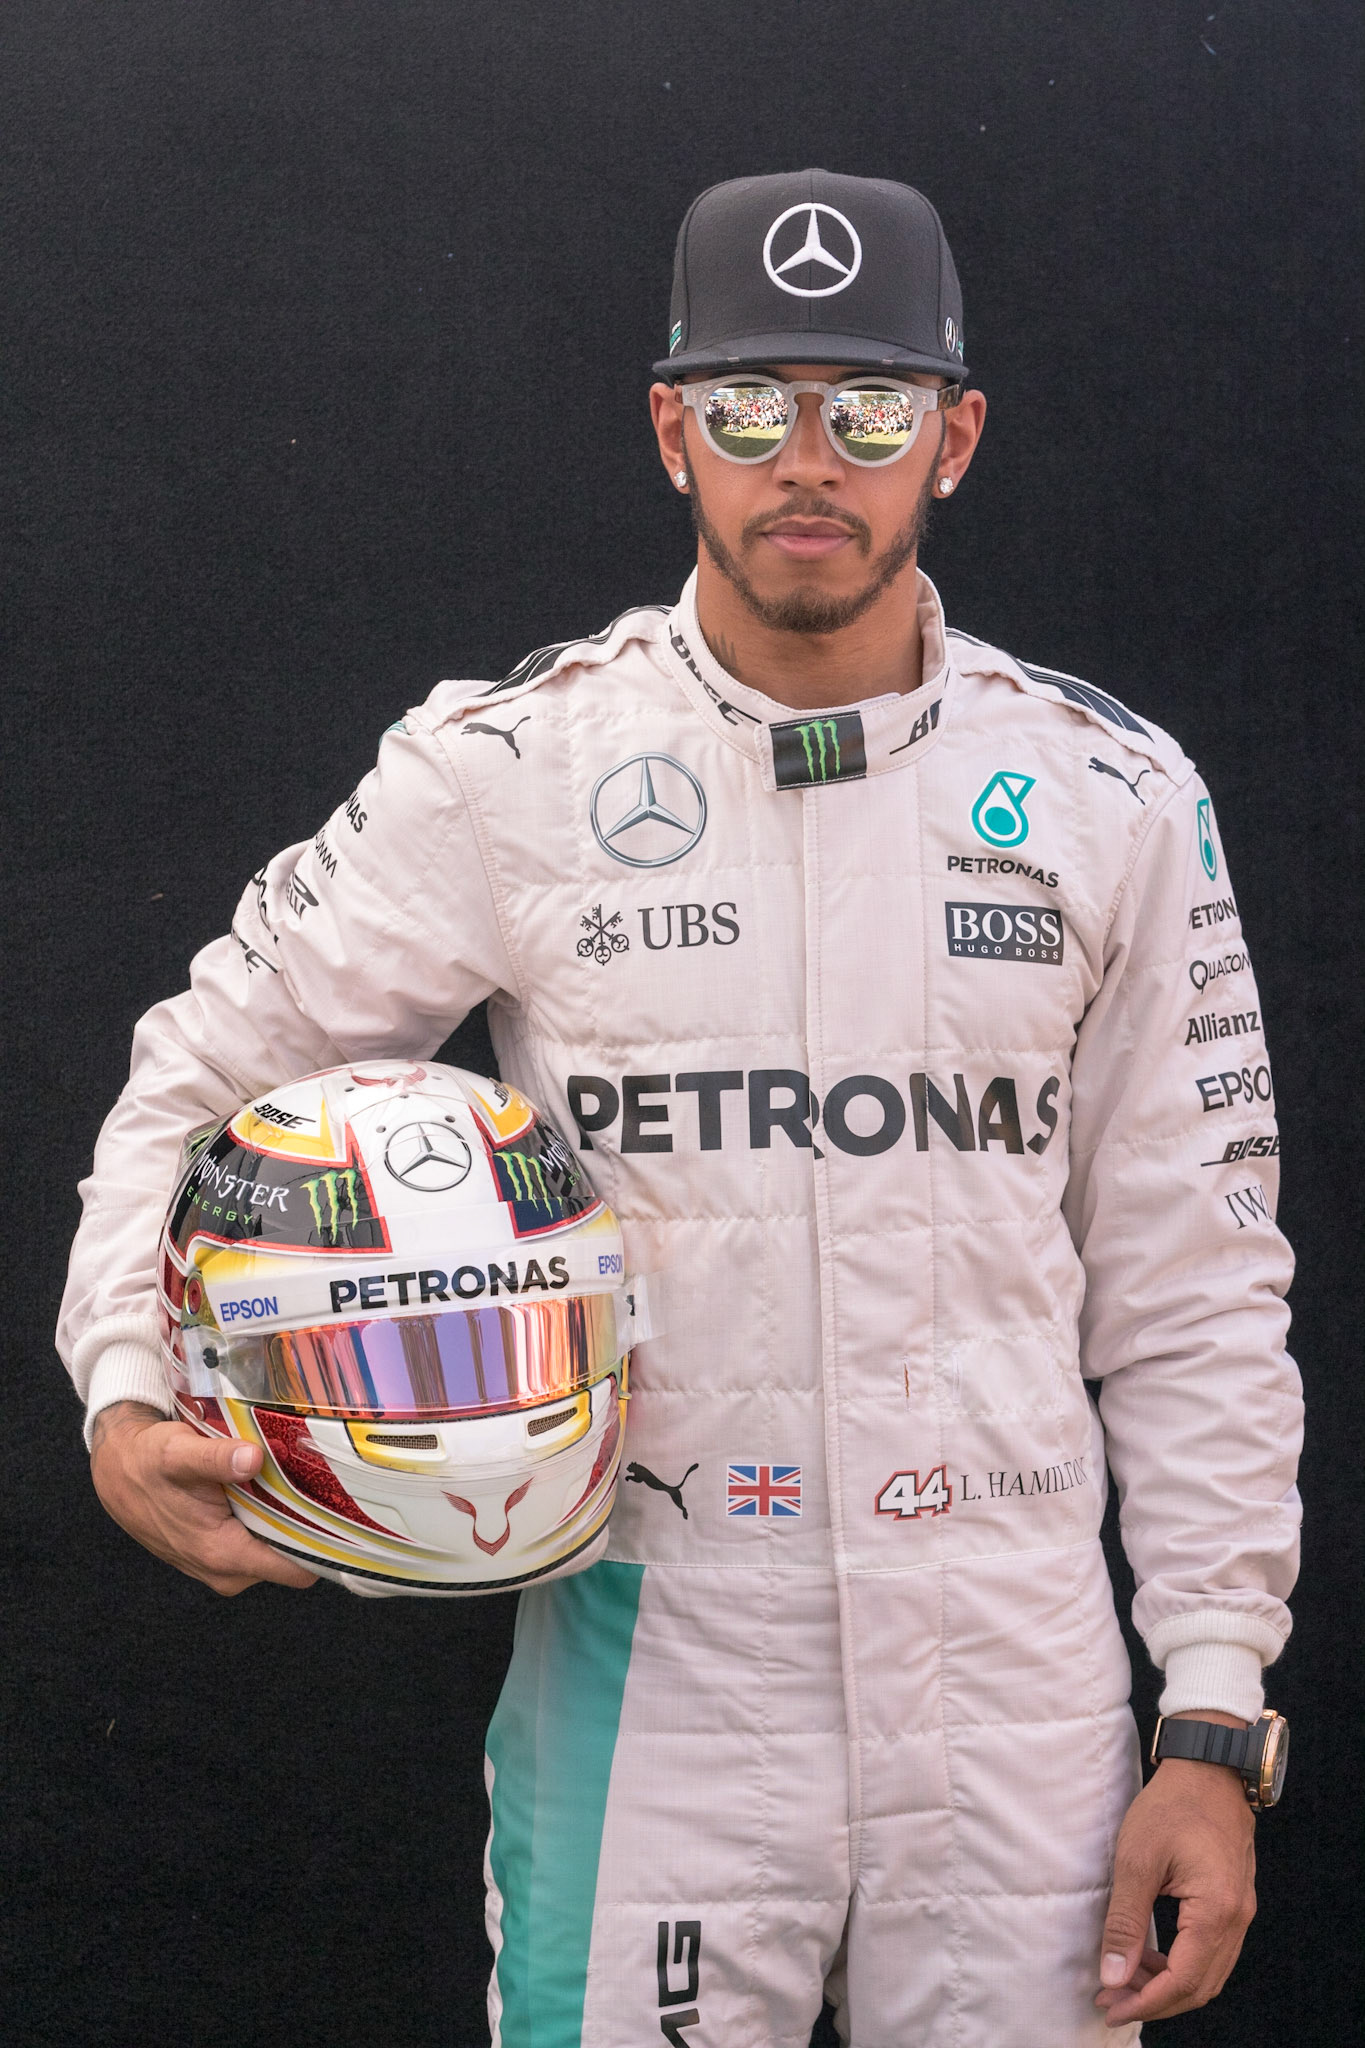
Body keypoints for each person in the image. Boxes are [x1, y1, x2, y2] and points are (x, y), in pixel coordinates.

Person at [59, 169, 1301, 2045]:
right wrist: (125, 1386)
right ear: (671, 432)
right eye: (750, 407)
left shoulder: (1111, 792)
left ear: (951, 440)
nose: (809, 460)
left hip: (1022, 1673)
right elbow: (208, 1070)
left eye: (867, 411)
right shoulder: (509, 767)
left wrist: (1211, 1712)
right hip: (658, 1653)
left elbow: (1197, 1277)